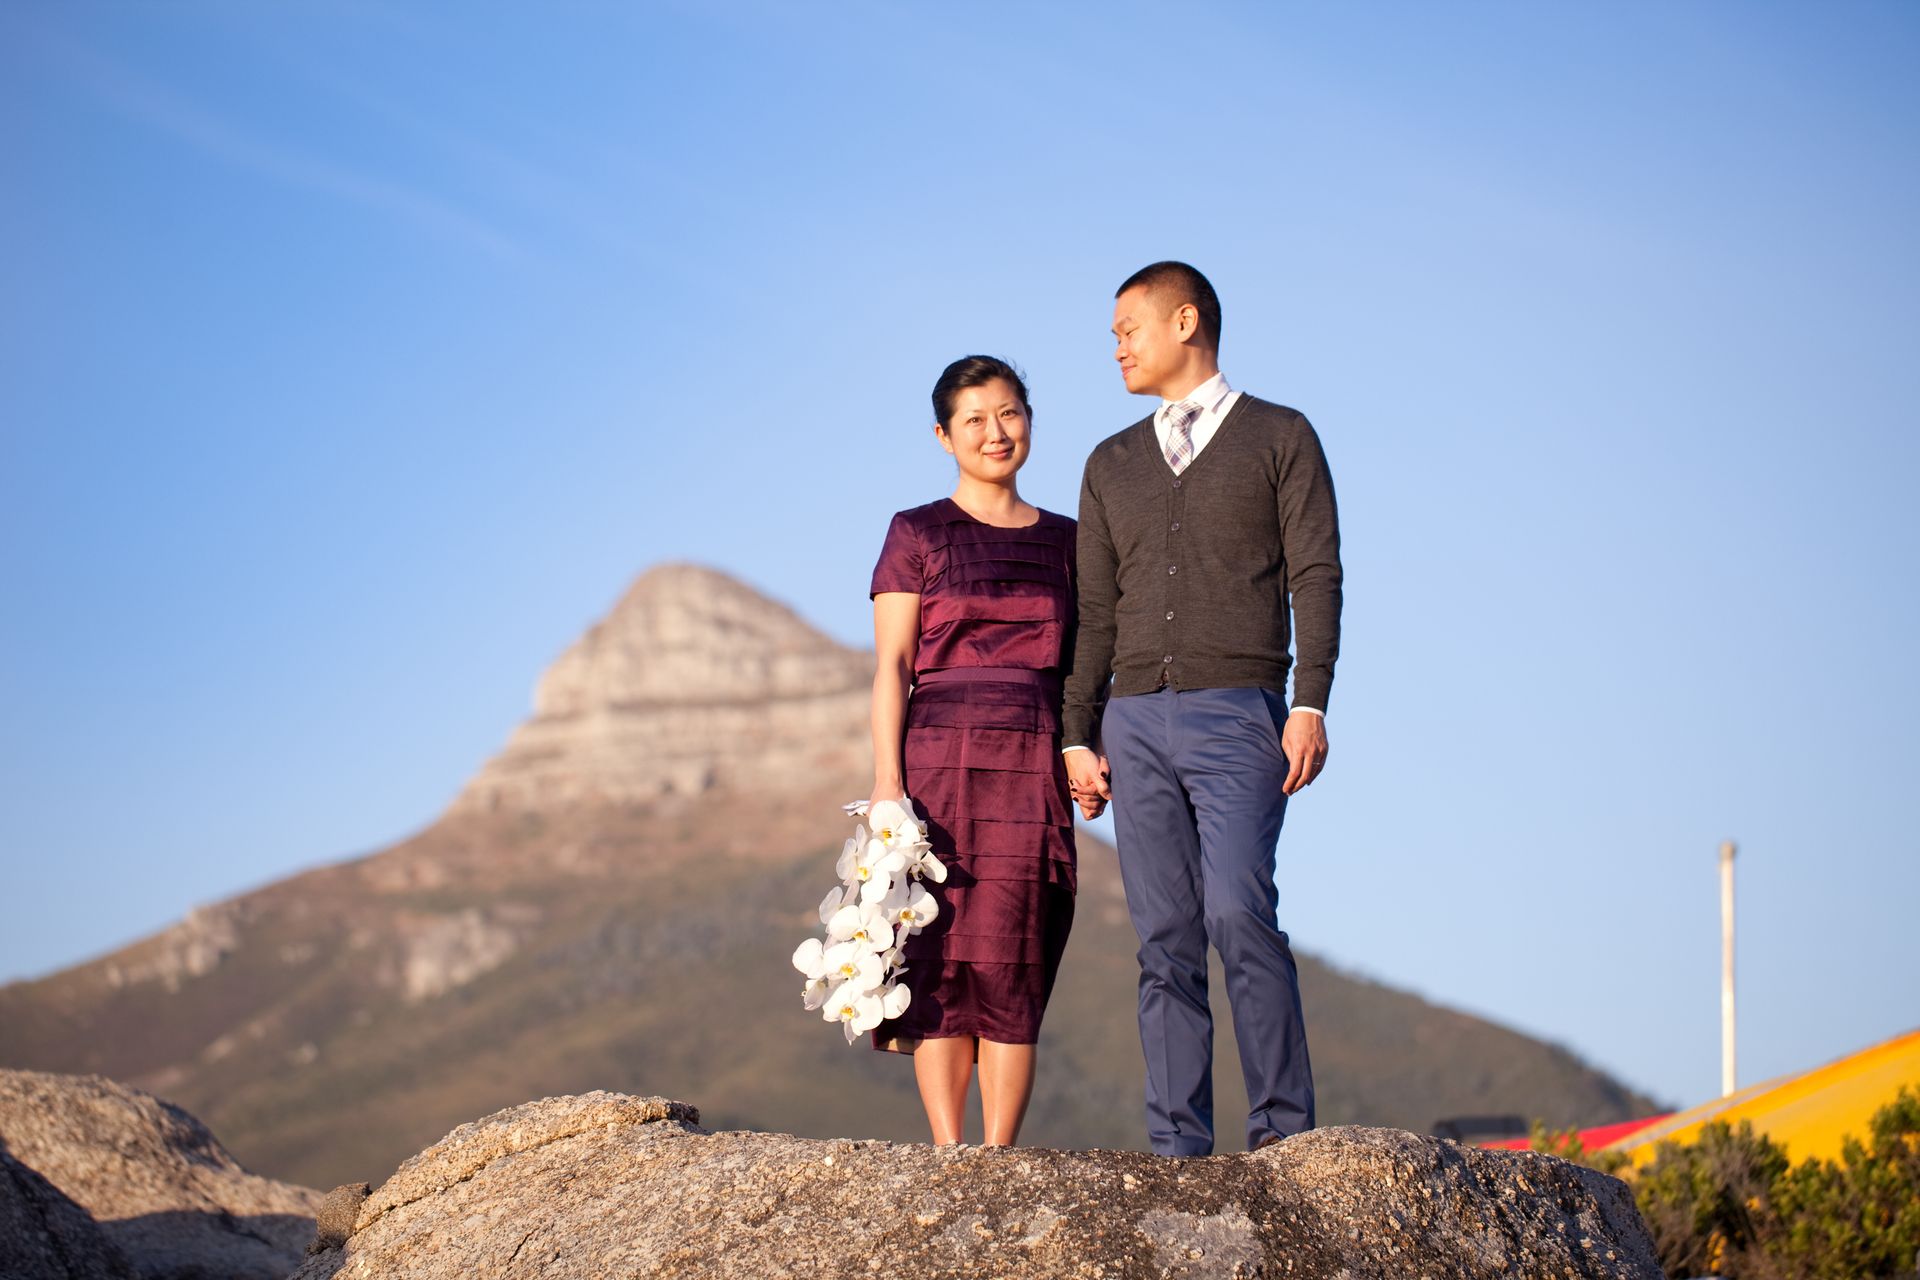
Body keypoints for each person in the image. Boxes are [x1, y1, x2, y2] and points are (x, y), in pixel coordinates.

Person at [1063, 261, 1342, 1156]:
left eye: (1127, 329)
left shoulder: (1281, 437)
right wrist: (1077, 731)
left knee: (1235, 912)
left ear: (1185, 322)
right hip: (1132, 720)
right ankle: (1178, 1150)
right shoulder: (1108, 463)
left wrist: (1311, 702)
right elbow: (1096, 612)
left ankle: (1283, 1137)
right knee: (1166, 939)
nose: (1116, 347)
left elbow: (1315, 575)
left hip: (1241, 713)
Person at [867, 355, 1087, 1147]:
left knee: (1013, 954)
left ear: (1029, 418)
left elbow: (1084, 668)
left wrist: (1084, 750)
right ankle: (948, 1154)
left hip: (1032, 760)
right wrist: (889, 785)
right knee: (942, 956)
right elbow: (893, 664)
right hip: (937, 764)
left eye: (1010, 413)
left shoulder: (1071, 540)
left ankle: (1001, 1157)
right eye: (975, 420)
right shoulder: (916, 532)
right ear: (943, 435)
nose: (996, 433)